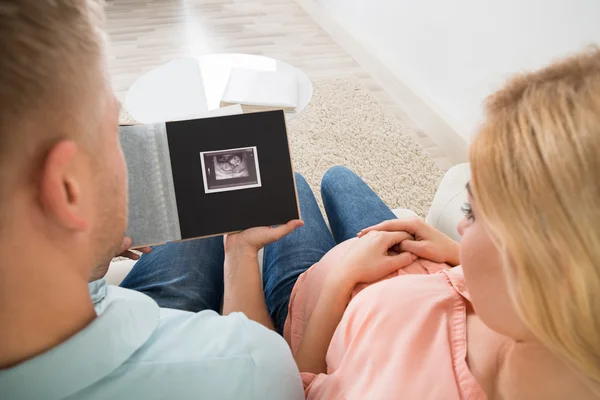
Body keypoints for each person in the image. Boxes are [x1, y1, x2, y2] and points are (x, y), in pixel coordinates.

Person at [0, 1, 305, 399]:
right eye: (115, 131)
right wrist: (240, 257)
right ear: (68, 188)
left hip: (88, 305)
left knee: (198, 237)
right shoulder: (250, 365)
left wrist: (84, 262)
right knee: (297, 186)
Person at [268, 49, 600, 399]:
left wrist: (339, 280)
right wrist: (456, 255)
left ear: (559, 272)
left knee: (289, 183)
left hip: (314, 304)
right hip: (405, 259)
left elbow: (300, 388)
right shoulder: (531, 312)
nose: (460, 227)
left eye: (472, 213)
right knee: (339, 178)